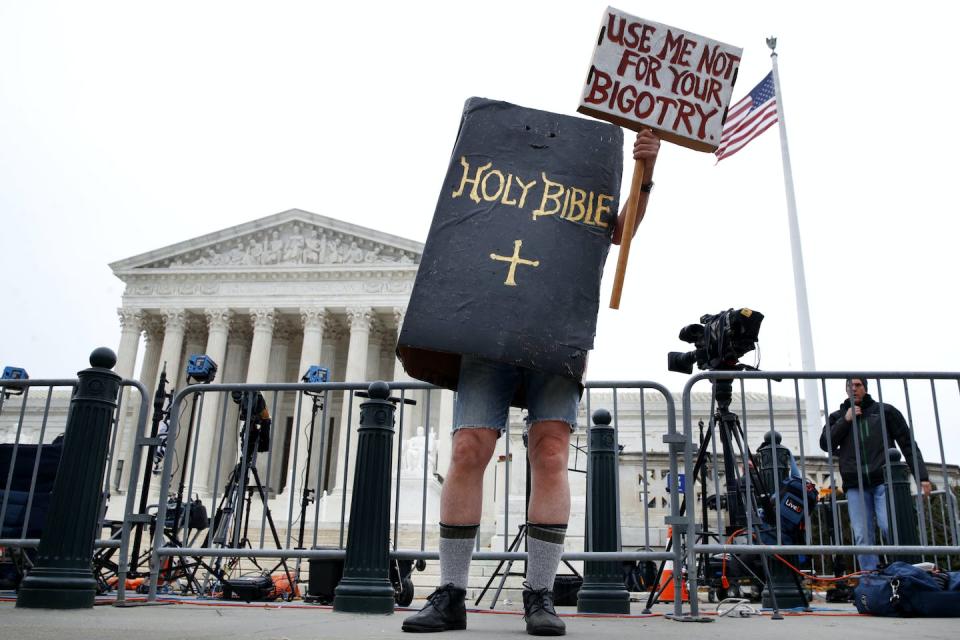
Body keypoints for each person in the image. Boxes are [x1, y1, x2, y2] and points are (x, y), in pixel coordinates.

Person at [402, 130, 659, 636]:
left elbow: (620, 229)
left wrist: (645, 173)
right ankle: (452, 591)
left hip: (555, 330)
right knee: (468, 449)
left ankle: (539, 593)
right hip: (489, 330)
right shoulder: (495, 179)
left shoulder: (582, 186)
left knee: (550, 452)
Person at [819, 377, 932, 571]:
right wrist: (845, 421)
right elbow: (825, 444)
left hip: (883, 481)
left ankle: (901, 572)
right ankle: (870, 579)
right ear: (845, 389)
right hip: (855, 484)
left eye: (858, 385)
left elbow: (907, 443)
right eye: (850, 385)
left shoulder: (885, 411)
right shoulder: (838, 416)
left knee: (889, 527)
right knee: (863, 536)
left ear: (865, 388)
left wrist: (921, 476)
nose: (854, 389)